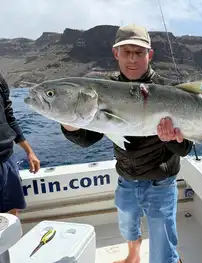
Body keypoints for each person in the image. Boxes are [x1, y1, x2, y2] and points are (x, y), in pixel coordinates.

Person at [60, 24, 192, 263]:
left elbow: (186, 148)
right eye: (126, 52)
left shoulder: (169, 90)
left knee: (163, 248)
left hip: (160, 182)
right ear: (116, 53)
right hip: (126, 178)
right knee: (128, 224)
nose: (132, 59)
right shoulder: (101, 90)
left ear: (149, 55)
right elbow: (88, 138)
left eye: (139, 53)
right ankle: (133, 256)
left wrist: (172, 139)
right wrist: (70, 123)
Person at [0, 73, 40, 216]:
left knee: (12, 214)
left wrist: (29, 152)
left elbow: (9, 117)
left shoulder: (0, 80)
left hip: (7, 159)